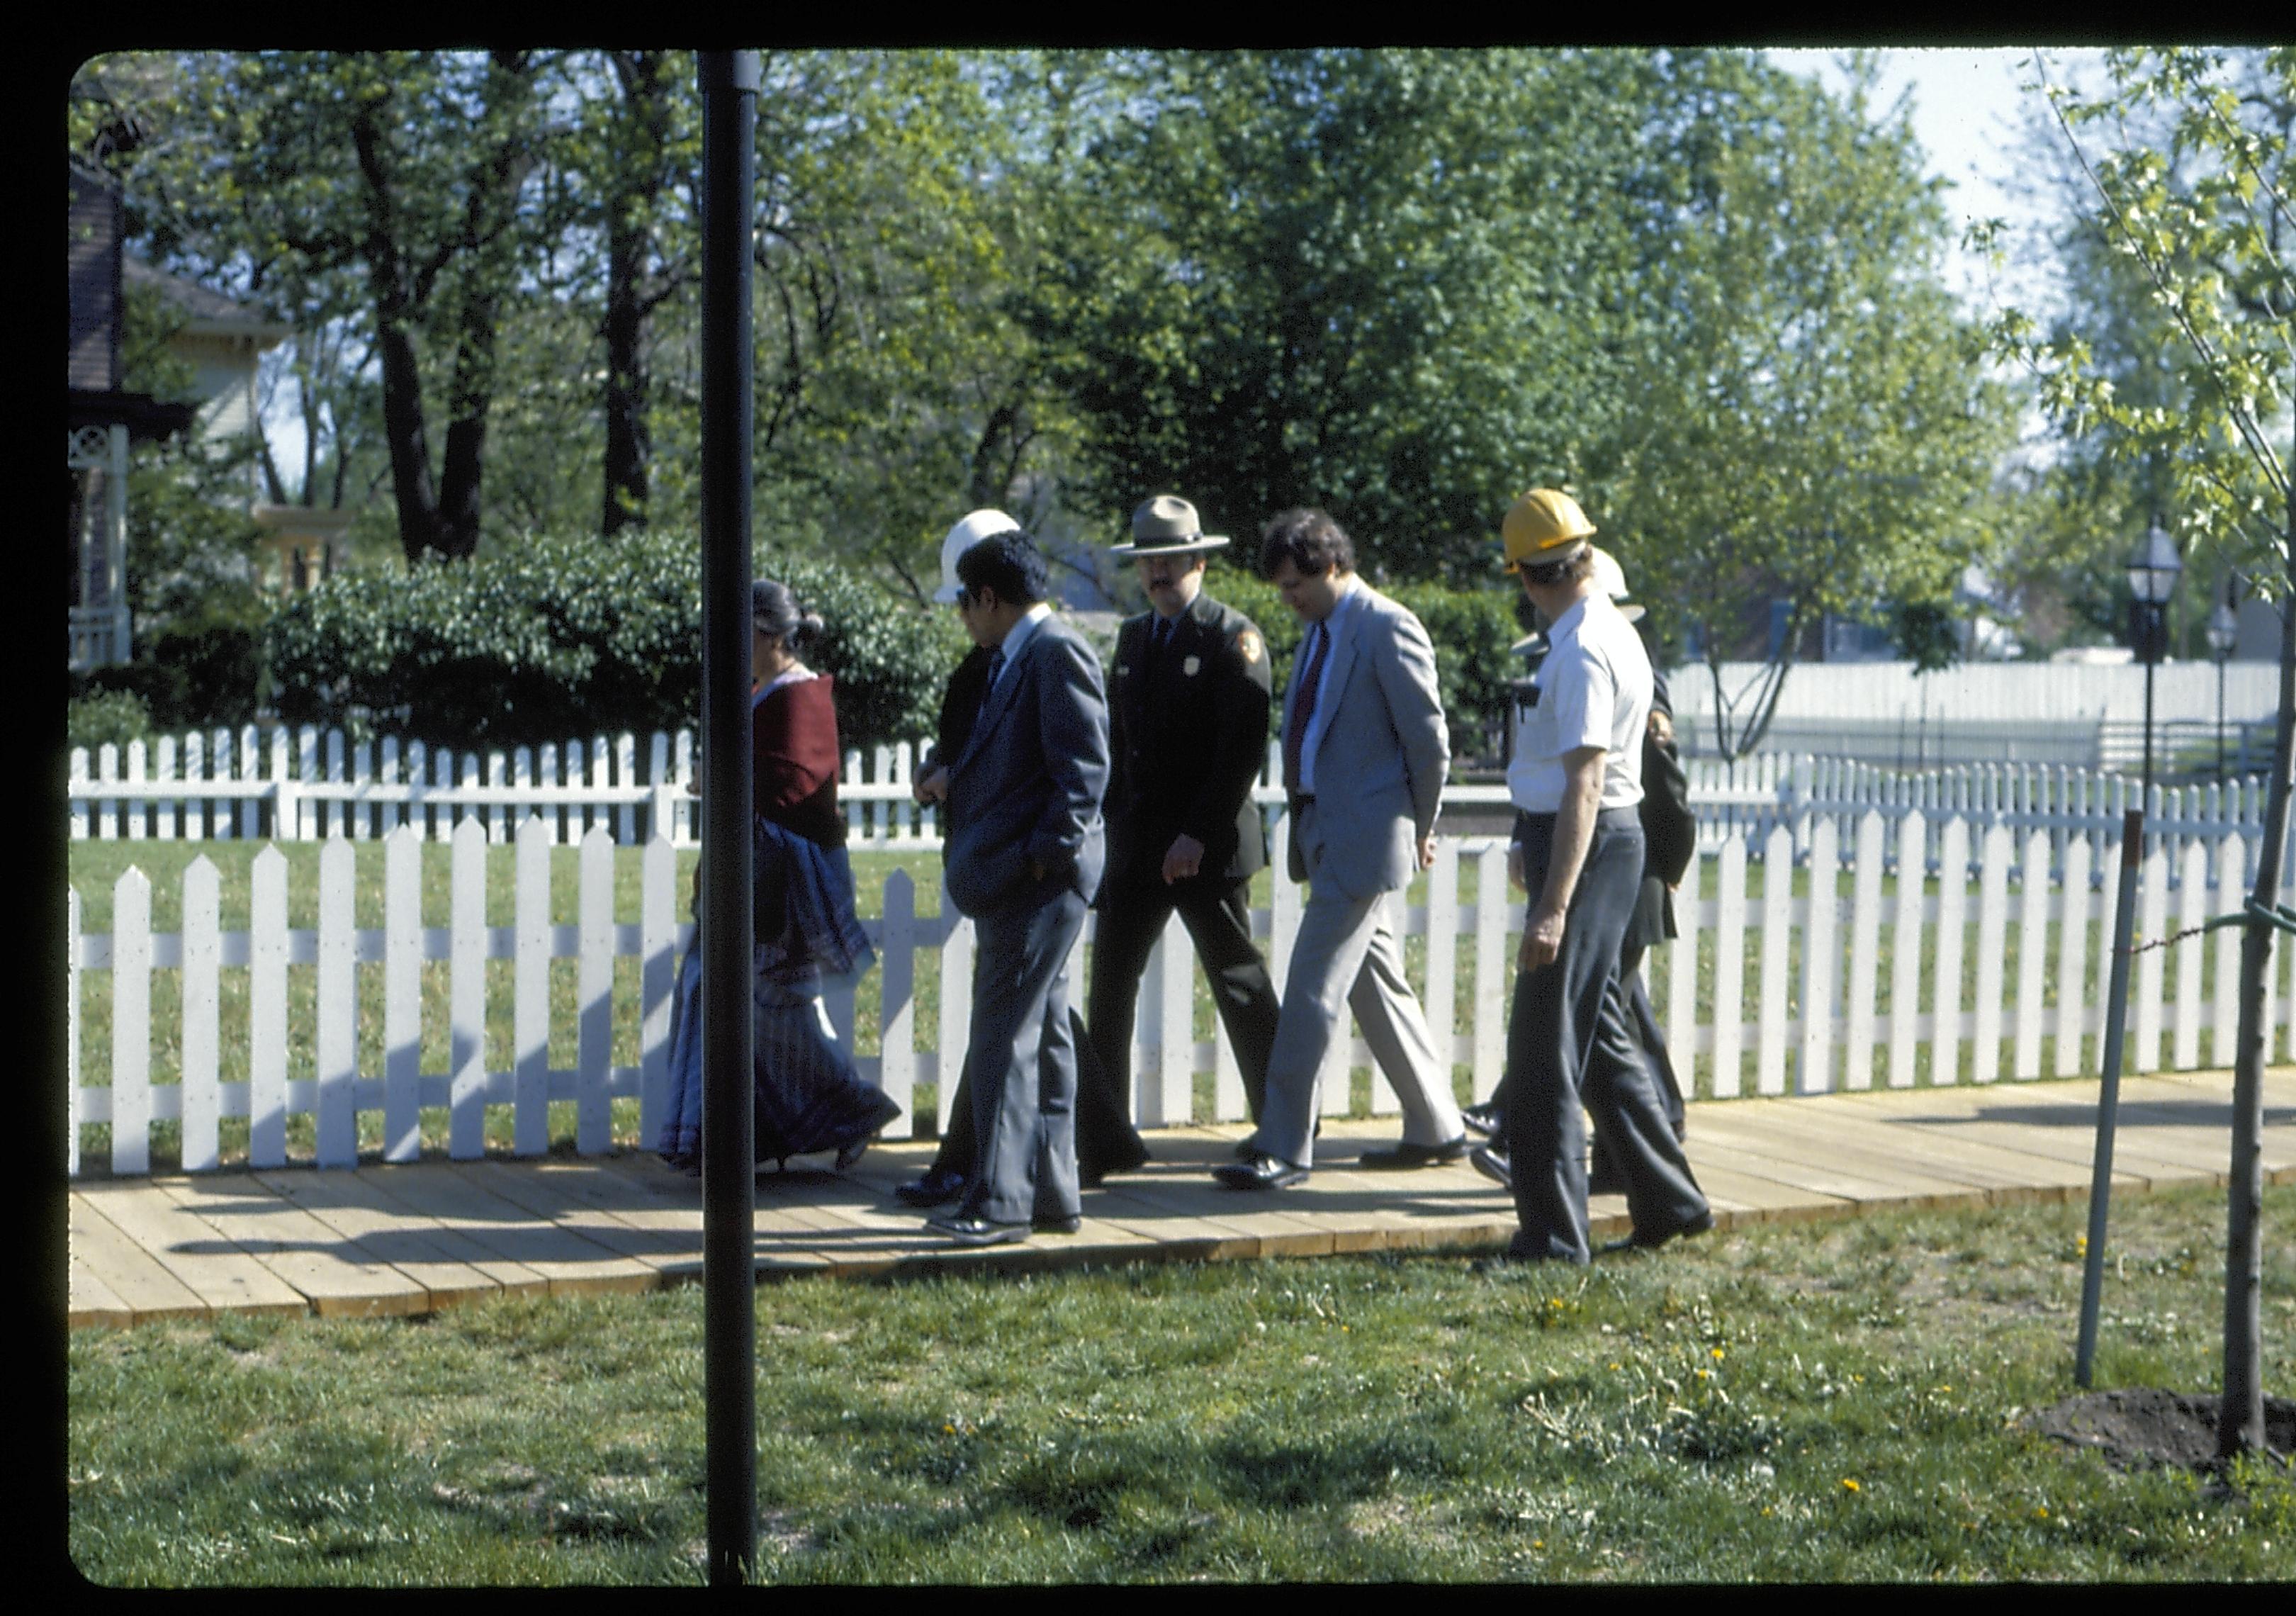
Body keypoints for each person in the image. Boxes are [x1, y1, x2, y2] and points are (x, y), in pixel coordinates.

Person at [1475, 490, 1708, 1264]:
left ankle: (1550, 1237)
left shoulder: (1577, 652)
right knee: (1603, 1037)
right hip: (1607, 841)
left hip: (1586, 844)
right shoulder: (1613, 628)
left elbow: (1583, 784)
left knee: (1544, 1048)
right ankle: (1671, 1202)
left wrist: (1551, 907)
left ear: (1528, 576)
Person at [1213, 508, 1467, 1191]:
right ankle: (1437, 1125)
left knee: (1311, 989)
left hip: (1367, 839)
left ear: (1331, 566)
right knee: (1374, 981)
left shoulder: (1388, 625)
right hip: (1325, 831)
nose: (1287, 599)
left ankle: (1285, 1146)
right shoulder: (1321, 631)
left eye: (1295, 584)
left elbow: (1429, 742)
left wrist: (1420, 825)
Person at [656, 579, 901, 1176]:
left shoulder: (801, 698)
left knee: (766, 1007)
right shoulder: (763, 691)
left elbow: (793, 785)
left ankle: (852, 1111)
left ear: (766, 635)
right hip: (741, 878)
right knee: (713, 995)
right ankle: (722, 1139)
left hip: (779, 888)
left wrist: (717, 777)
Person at [1081, 495, 1284, 1182]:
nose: (1158, 575)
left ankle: (1284, 1123)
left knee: (1239, 980)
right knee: (1109, 987)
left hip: (1207, 847)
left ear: (1200, 561)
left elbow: (1240, 751)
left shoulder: (1233, 638)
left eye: (1170, 561)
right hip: (1138, 846)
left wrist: (1197, 834)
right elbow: (1118, 743)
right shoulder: (1136, 638)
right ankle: (1105, 1136)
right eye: (1148, 564)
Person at [926, 528, 1112, 1245]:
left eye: (965, 606)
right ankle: (1053, 1197)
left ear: (989, 598)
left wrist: (1042, 857)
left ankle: (999, 1203)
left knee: (1003, 1035)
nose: (964, 620)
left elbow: (1084, 771)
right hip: (1027, 878)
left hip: (1038, 883)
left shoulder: (1053, 650)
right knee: (1048, 1038)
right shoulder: (1020, 654)